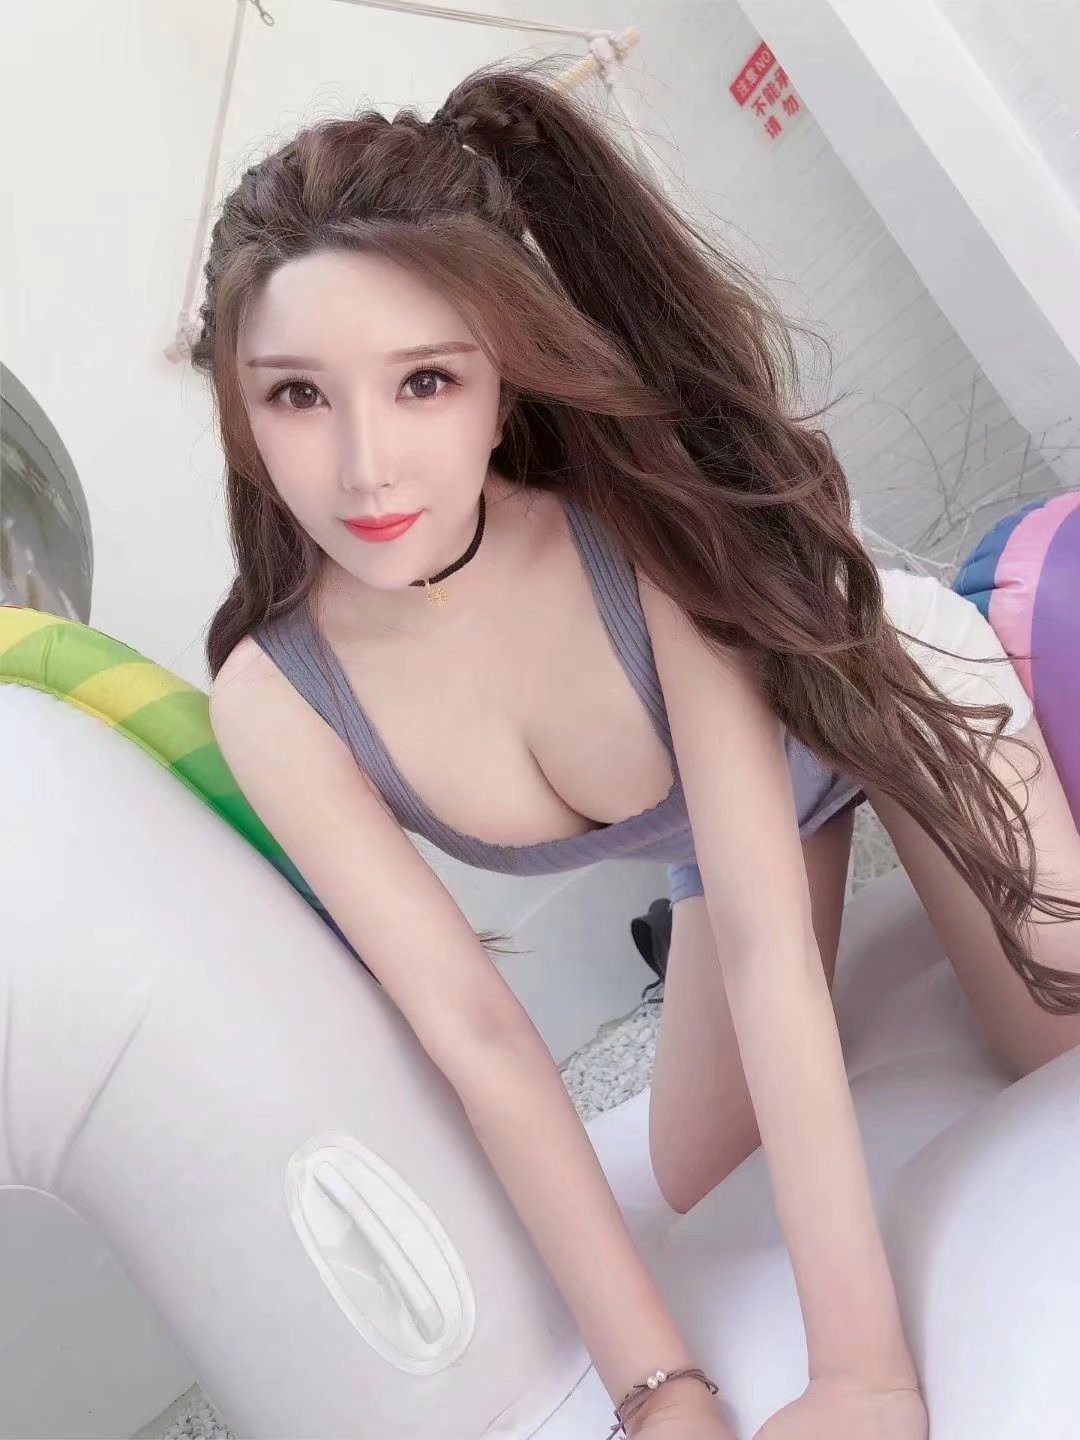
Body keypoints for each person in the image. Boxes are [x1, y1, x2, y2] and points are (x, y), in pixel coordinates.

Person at [201, 58, 1080, 1440]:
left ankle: (1032, 631)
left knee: (1056, 1046)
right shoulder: (276, 700)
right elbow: (480, 1035)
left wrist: (862, 1376)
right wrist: (659, 1394)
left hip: (874, 695)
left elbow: (770, 949)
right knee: (692, 1169)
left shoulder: (637, 533)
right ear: (235, 407)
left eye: (424, 381)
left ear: (503, 384)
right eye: (297, 396)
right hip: (727, 837)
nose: (366, 468)